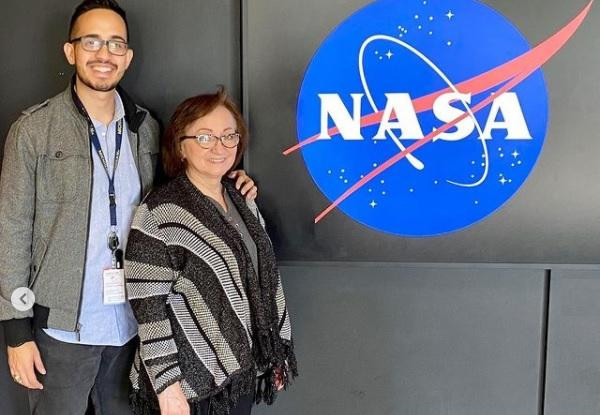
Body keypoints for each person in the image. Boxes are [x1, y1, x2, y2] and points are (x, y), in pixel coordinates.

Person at [0, 1, 257, 414]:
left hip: (135, 326)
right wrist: (16, 330)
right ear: (71, 51)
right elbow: (10, 228)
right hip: (61, 328)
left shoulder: (146, 127)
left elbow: (179, 195)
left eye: (116, 44)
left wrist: (227, 182)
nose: (104, 54)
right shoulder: (33, 130)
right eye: (92, 41)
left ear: (128, 57)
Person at [124, 88, 297, 415]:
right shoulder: (161, 212)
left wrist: (272, 350)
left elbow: (262, 280)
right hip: (189, 387)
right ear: (180, 145)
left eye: (228, 135)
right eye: (204, 137)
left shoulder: (242, 199)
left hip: (239, 374)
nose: (219, 147)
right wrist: (167, 387)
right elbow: (149, 308)